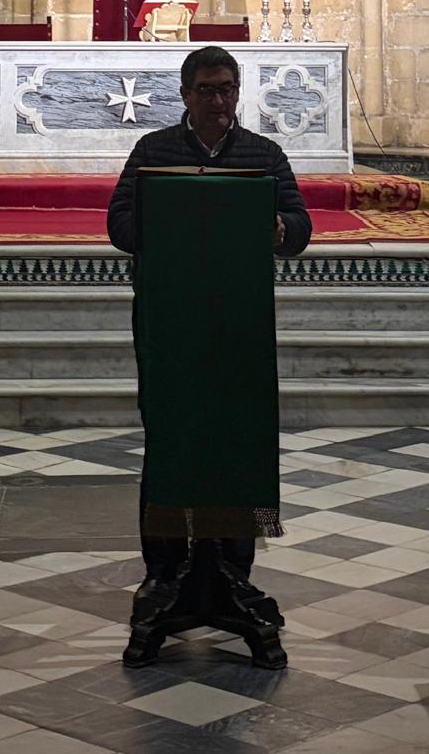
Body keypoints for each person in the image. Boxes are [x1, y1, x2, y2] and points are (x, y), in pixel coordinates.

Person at [107, 45, 312, 591]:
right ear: (185, 95)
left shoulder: (264, 154)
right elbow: (119, 225)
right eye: (207, 90)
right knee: (171, 437)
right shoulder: (153, 150)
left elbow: (300, 226)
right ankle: (163, 569)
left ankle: (234, 569)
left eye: (227, 89)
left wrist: (279, 230)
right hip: (169, 321)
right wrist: (174, 221)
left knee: (241, 439)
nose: (219, 101)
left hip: (239, 323)